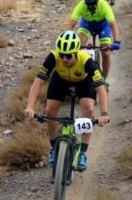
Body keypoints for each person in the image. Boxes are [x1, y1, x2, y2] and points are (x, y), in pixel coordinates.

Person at [24, 30, 110, 171]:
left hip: (83, 81)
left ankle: (82, 152)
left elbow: (101, 88)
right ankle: (54, 149)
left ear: (76, 53)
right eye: (62, 55)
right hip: (61, 80)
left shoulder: (86, 61)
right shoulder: (53, 57)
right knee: (50, 111)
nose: (64, 59)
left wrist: (104, 113)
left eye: (69, 56)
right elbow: (37, 82)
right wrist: (29, 107)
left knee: (88, 109)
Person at [67, 0, 121, 84]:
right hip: (87, 24)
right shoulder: (81, 5)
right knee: (77, 47)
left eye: (93, 3)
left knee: (106, 54)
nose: (90, 6)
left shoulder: (104, 5)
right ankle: (78, 74)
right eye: (88, 4)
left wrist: (116, 41)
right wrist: (69, 41)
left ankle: (104, 79)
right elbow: (70, 25)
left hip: (103, 26)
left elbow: (113, 25)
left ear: (97, 1)